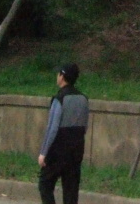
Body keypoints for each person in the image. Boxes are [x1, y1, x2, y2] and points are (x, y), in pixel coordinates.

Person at [38, 63, 89, 204]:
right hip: (76, 150)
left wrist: (43, 153)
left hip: (58, 150)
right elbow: (85, 126)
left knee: (45, 184)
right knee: (71, 190)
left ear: (62, 76)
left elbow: (52, 128)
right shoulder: (84, 99)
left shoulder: (59, 99)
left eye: (58, 74)